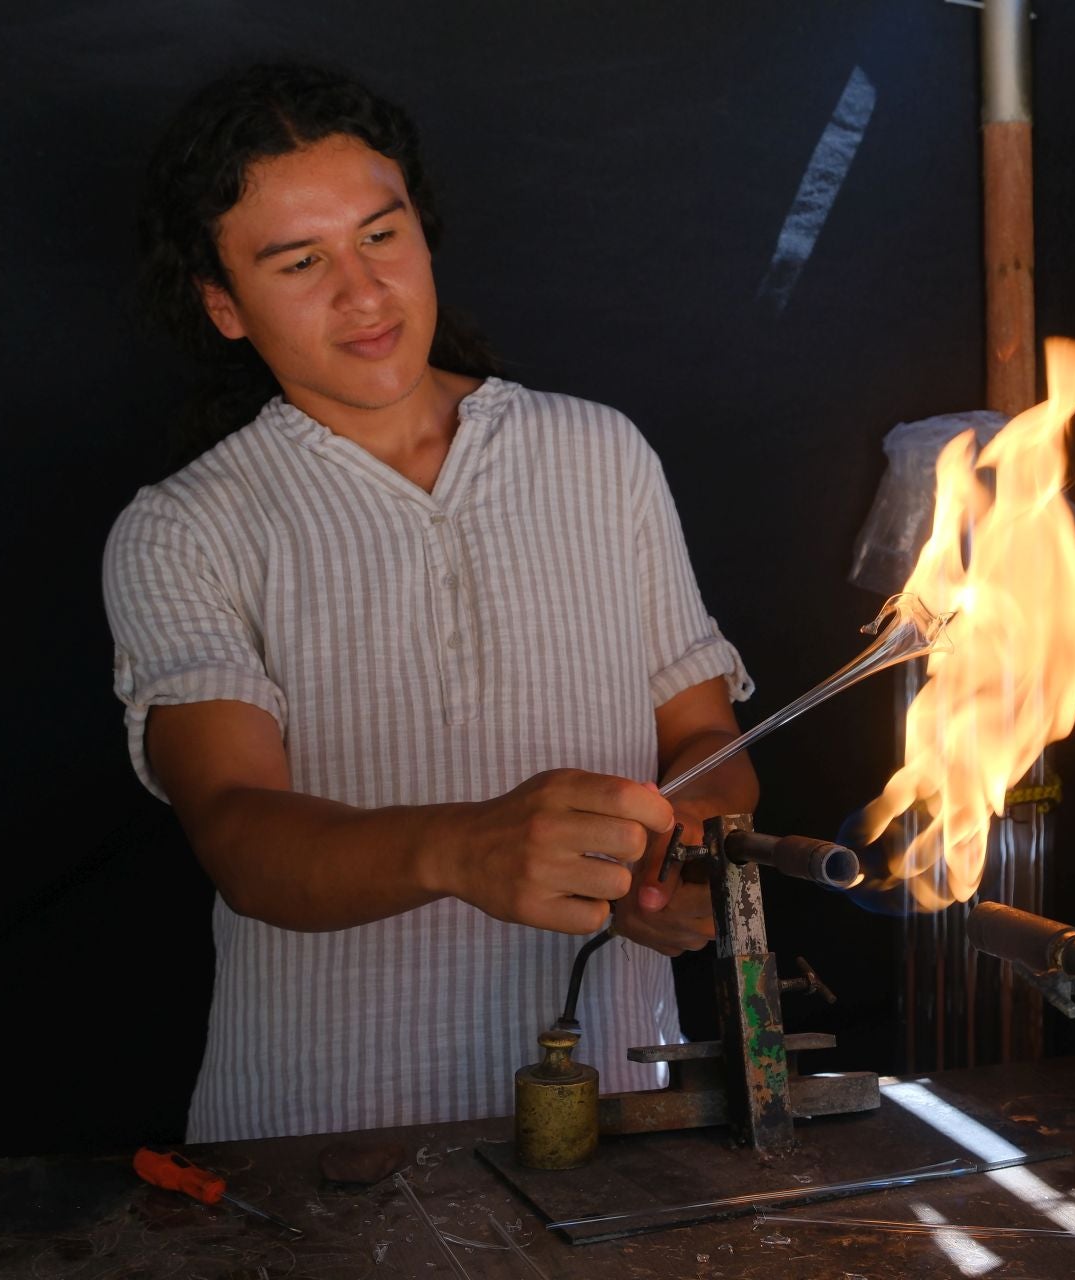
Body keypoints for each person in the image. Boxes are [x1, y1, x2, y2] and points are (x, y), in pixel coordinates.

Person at [102, 61, 757, 1143]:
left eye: (381, 235)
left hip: (616, 1124)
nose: (363, 294)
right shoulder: (185, 527)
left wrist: (689, 848)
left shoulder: (599, 452)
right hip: (318, 1145)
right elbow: (236, 831)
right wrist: (462, 847)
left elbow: (701, 732)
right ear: (223, 304)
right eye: (299, 262)